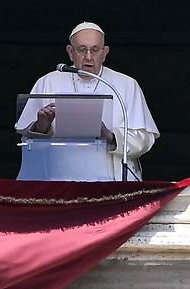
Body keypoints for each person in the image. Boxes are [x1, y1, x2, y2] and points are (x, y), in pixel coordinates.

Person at [15, 22, 159, 181]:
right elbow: (27, 142)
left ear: (105, 53)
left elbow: (145, 139)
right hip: (58, 180)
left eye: (95, 50)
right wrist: (41, 125)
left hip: (111, 183)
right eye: (82, 50)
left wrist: (110, 136)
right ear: (70, 52)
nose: (88, 57)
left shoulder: (126, 85)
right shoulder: (48, 82)